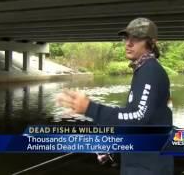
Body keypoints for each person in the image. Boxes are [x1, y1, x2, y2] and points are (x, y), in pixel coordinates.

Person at [57, 17, 173, 175]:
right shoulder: (144, 70)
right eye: (127, 38)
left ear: (152, 43)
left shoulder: (150, 71)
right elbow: (142, 115)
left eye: (136, 38)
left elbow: (138, 116)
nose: (128, 43)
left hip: (147, 168)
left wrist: (90, 108)